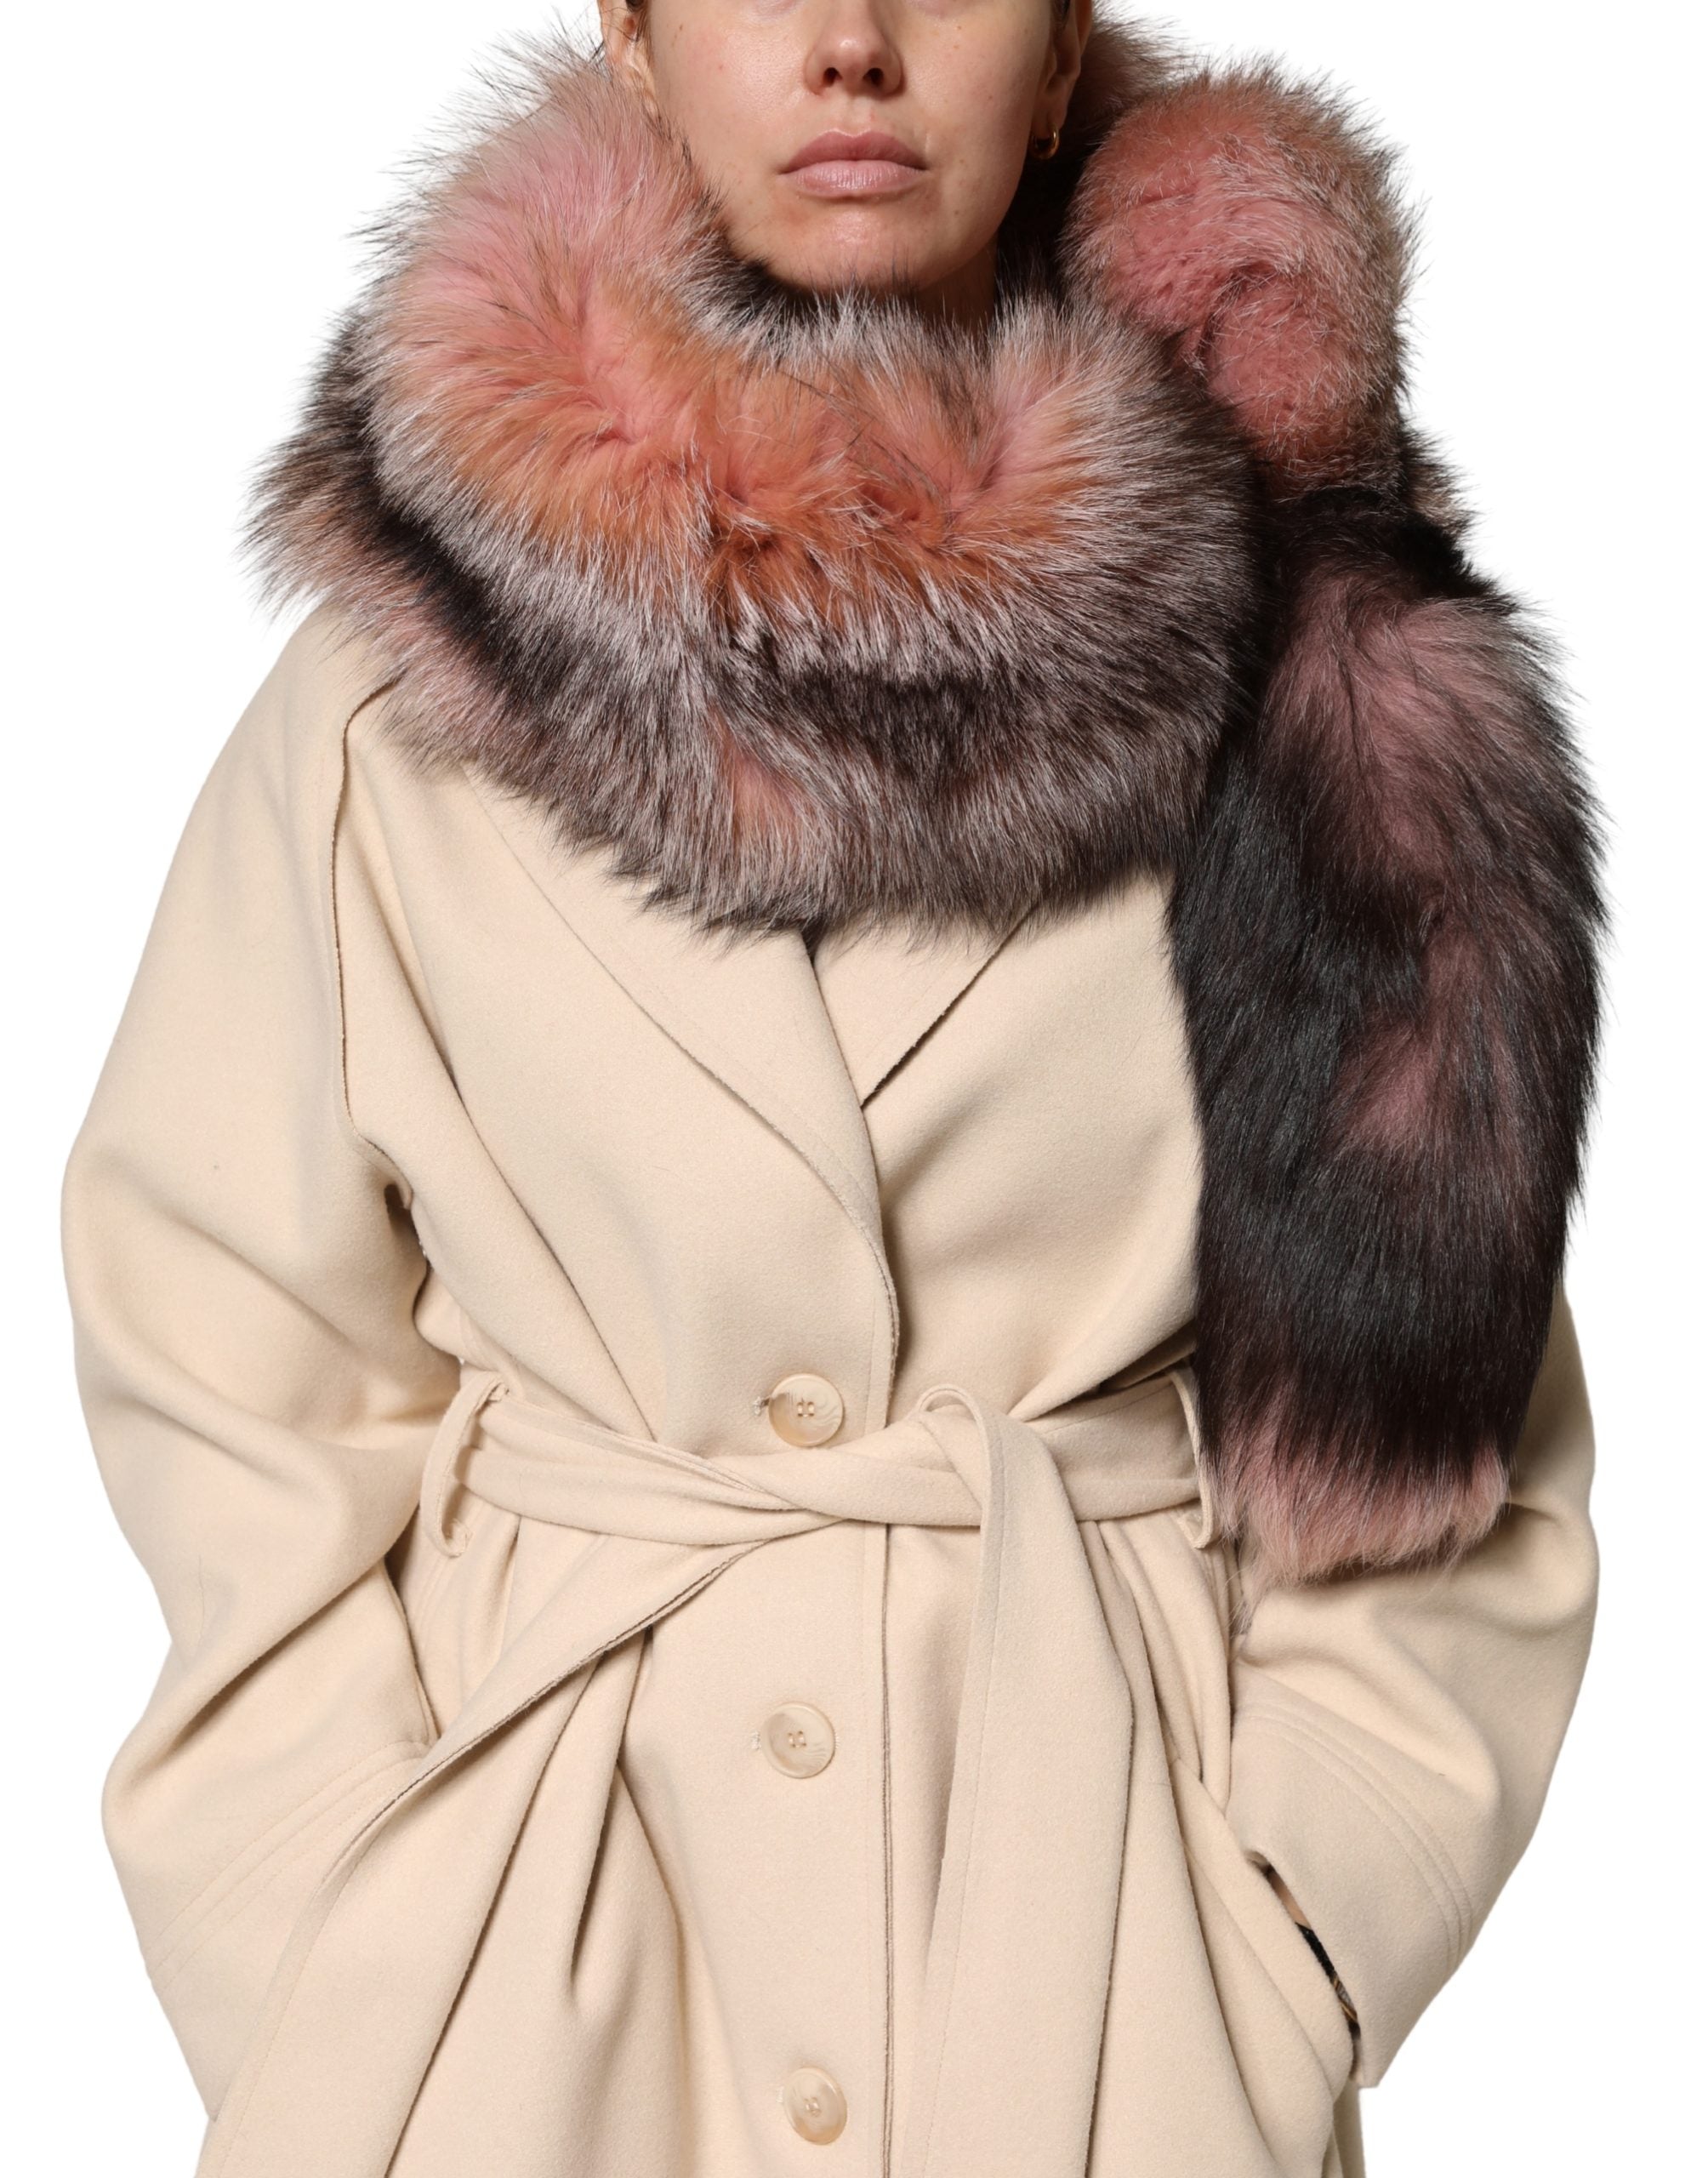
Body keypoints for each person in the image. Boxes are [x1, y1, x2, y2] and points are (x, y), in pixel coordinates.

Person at [59, 4, 1607, 2175]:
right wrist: (325, 1919)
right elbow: (219, 1340)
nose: (853, 44)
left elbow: (1435, 1437)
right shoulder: (394, 681)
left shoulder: (1336, 689)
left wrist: (1281, 1939)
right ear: (630, 30)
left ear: (1056, 57)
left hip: (1102, 1978)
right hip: (517, 1985)